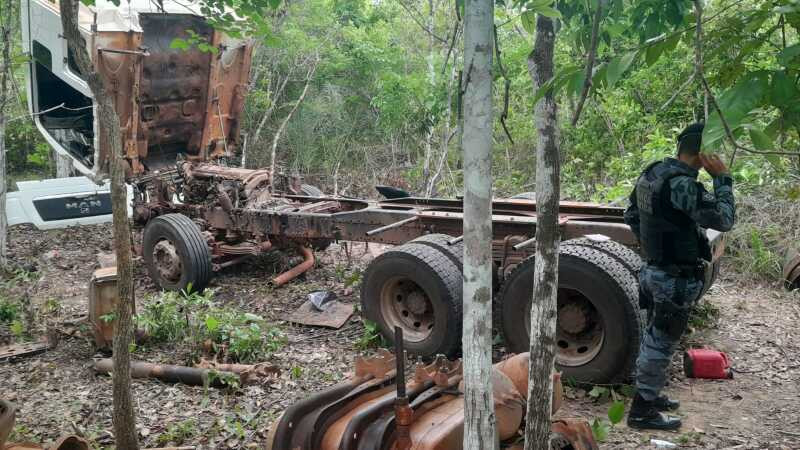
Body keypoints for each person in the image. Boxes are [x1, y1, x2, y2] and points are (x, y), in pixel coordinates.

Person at [623, 123, 736, 430]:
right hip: (672, 277)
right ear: (703, 153)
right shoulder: (682, 185)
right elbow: (724, 219)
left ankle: (650, 395)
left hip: (655, 270)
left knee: (654, 338)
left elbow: (631, 214)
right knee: (660, 343)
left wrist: (655, 246)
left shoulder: (654, 172)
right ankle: (642, 411)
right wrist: (722, 179)